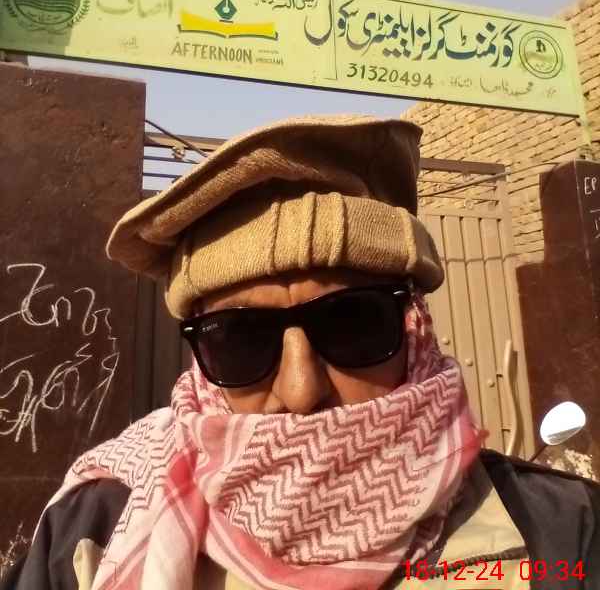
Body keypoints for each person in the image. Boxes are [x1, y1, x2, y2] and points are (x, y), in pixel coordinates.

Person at [3, 114, 599, 590]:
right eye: (239, 339)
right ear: (201, 364)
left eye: (353, 324)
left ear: (414, 329)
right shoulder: (93, 530)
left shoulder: (558, 530)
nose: (301, 390)